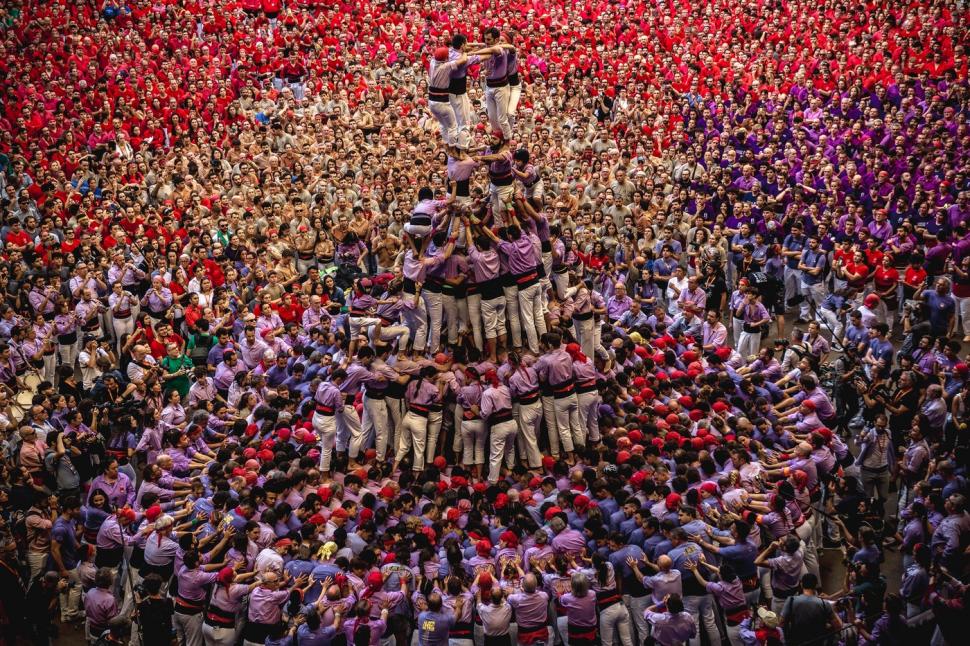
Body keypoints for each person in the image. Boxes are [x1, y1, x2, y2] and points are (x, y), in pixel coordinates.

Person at [780, 574, 842, 646]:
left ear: (801, 584)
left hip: (796, 642)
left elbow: (782, 623)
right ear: (815, 586)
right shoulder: (824, 604)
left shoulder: (791, 601)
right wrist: (833, 610)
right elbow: (838, 627)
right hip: (818, 643)